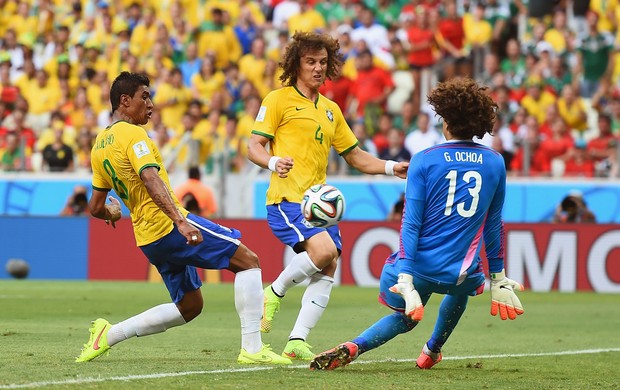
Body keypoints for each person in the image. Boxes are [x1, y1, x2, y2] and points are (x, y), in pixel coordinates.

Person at [75, 72, 290, 365]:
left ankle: (109, 334)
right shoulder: (133, 134)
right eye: (144, 96)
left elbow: (95, 206)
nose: (150, 104)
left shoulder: (99, 145)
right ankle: (252, 349)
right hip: (168, 225)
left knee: (190, 306)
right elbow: (150, 178)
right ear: (125, 101)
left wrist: (112, 212)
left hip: (148, 239)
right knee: (248, 261)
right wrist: (180, 220)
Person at [310, 77, 524, 371]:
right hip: (459, 271)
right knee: (461, 289)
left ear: (444, 120)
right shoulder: (495, 162)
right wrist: (498, 275)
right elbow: (493, 224)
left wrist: (406, 275)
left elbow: (411, 223)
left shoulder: (424, 159)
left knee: (405, 318)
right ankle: (432, 350)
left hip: (419, 267)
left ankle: (355, 345)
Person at [247, 31, 409, 361]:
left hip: (317, 206)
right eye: (310, 62)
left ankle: (296, 340)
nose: (318, 68)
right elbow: (253, 147)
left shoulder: (332, 109)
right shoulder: (277, 100)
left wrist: (392, 168)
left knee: (330, 262)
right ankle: (273, 293)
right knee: (322, 251)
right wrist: (273, 161)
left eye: (323, 62)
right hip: (287, 199)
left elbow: (355, 155)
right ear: (296, 64)